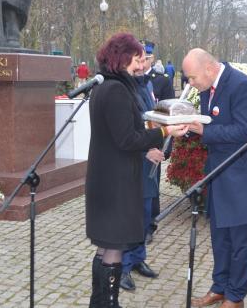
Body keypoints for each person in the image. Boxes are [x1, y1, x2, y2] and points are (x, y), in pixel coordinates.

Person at [84, 32, 187, 307]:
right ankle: (108, 303)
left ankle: (100, 302)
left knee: (106, 245)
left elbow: (124, 132)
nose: (141, 65)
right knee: (113, 248)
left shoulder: (107, 85)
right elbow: (127, 139)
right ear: (122, 57)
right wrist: (166, 130)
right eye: (136, 58)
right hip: (115, 183)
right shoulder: (116, 89)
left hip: (106, 179)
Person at [184, 48, 247, 308]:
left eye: (192, 78)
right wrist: (188, 128)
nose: (191, 84)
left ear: (209, 69)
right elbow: (207, 123)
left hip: (242, 179)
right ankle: (219, 287)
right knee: (219, 238)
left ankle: (235, 296)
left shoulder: (241, 86)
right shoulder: (206, 85)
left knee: (240, 243)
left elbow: (246, 131)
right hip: (218, 174)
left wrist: (204, 131)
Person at [119, 48, 164, 292]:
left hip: (151, 160)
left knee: (146, 214)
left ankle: (137, 258)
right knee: (133, 216)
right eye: (139, 59)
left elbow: (149, 118)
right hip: (135, 160)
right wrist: (145, 151)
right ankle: (123, 266)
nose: (143, 63)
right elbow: (124, 134)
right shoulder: (122, 89)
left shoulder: (145, 85)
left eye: (145, 59)